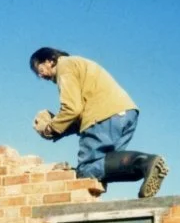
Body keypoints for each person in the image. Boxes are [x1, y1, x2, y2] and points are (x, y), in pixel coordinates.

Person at [29, 47, 169, 198]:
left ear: (50, 60)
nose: (40, 75)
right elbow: (79, 117)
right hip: (126, 113)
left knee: (87, 170)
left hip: (104, 115)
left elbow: (72, 109)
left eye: (39, 68)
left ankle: (145, 163)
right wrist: (58, 131)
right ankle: (146, 167)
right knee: (108, 164)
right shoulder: (78, 65)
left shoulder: (64, 66)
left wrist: (50, 128)